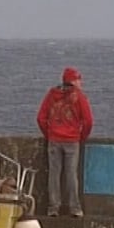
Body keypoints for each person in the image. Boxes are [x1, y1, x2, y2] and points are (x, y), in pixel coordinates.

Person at [36, 66, 93, 217]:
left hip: (54, 139)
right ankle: (74, 208)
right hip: (72, 140)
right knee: (71, 174)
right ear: (72, 81)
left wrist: (49, 134)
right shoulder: (79, 96)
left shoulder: (52, 94)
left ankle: (53, 207)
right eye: (78, 80)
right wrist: (82, 137)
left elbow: (41, 118)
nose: (80, 83)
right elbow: (88, 121)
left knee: (54, 174)